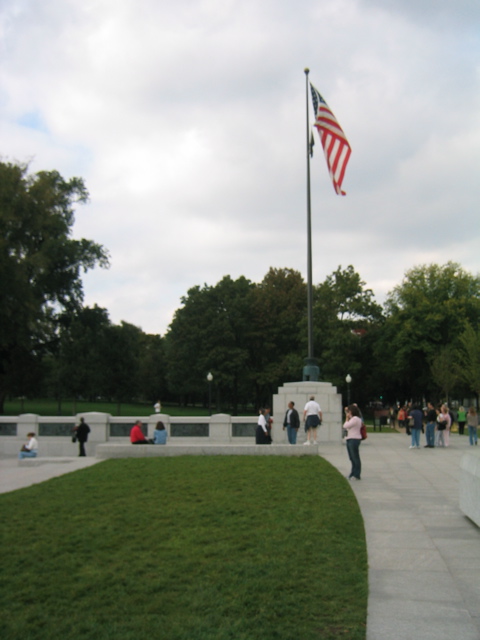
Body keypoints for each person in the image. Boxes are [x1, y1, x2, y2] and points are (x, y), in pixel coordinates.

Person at [343, 404, 362, 480]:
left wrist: (347, 418)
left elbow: (345, 425)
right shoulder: (355, 419)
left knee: (355, 457)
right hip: (351, 439)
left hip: (353, 439)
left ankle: (356, 474)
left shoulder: (355, 419)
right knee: (352, 457)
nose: (348, 413)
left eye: (349, 411)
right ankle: (353, 473)